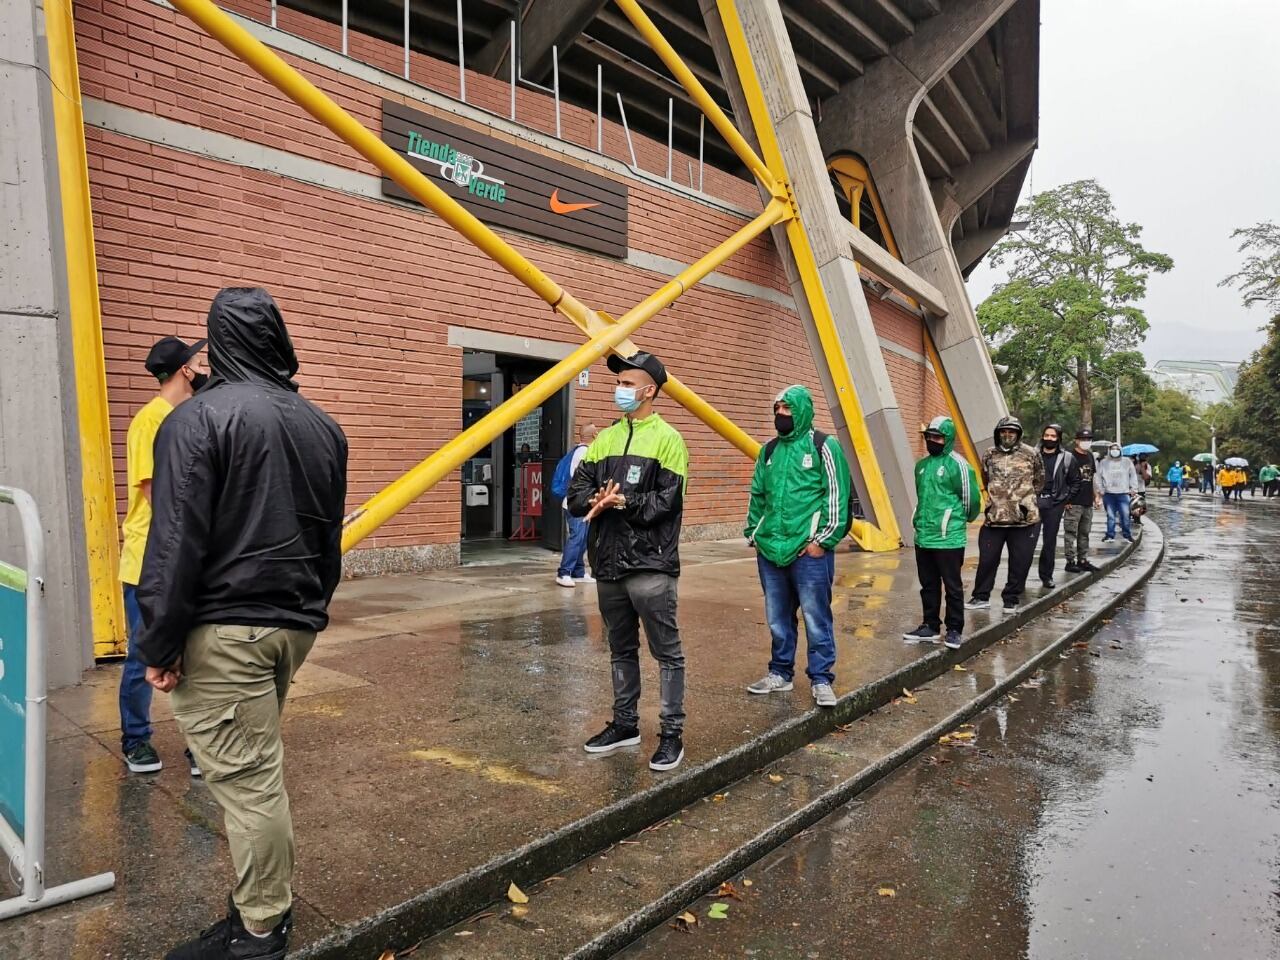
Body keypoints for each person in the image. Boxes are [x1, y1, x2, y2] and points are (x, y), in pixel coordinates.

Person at [138, 288, 348, 960]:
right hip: (291, 625)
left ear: (217, 344)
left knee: (251, 785)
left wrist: (159, 642)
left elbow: (174, 545)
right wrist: (311, 611)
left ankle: (261, 930)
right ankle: (255, 908)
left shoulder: (196, 421)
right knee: (254, 773)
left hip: (224, 630)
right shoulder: (322, 426)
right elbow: (327, 546)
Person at [568, 351, 689, 773]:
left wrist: (622, 500)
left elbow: (667, 503)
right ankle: (625, 725)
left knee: (666, 653)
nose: (619, 389)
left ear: (649, 389)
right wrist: (596, 499)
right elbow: (575, 494)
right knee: (620, 649)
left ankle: (671, 733)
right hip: (607, 565)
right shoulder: (603, 440)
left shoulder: (669, 440)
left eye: (626, 382)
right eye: (617, 382)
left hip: (650, 566)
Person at [118, 335, 208, 775]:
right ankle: (136, 740)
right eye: (196, 360)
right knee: (141, 656)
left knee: (192, 657)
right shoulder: (149, 422)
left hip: (185, 562)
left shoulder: (190, 416)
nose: (202, 365)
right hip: (146, 563)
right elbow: (158, 496)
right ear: (183, 370)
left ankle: (198, 746)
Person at [744, 385, 852, 705]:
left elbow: (836, 496)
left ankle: (821, 678)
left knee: (816, 616)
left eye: (787, 410)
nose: (781, 415)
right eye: (777, 409)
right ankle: (780, 673)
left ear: (802, 410)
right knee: (778, 617)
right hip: (771, 549)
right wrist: (755, 533)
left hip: (808, 551)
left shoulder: (824, 446)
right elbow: (757, 496)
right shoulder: (769, 451)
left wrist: (823, 541)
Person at [902, 415, 980, 650]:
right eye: (929, 437)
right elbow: (922, 497)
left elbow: (971, 502)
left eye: (937, 437)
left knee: (952, 585)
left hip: (949, 538)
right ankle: (930, 626)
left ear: (947, 439)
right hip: (924, 536)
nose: (932, 441)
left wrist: (954, 521)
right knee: (928, 584)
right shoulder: (921, 466)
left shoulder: (960, 465)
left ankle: (954, 629)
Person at [966, 416, 1045, 614]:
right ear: (998, 434)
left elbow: (1039, 480)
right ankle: (981, 596)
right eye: (1004, 431)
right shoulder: (989, 454)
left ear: (1018, 434)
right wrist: (997, 499)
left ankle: (1011, 598)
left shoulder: (1031, 453)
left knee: (1020, 561)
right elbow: (985, 478)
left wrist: (1023, 500)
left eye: (1012, 432)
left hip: (1023, 520)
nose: (1007, 435)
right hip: (995, 519)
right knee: (987, 559)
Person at [1034, 423, 1080, 589]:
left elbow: (1075, 481)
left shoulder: (1067, 458)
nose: (1049, 439)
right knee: (1027, 541)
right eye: (1047, 435)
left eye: (1053, 436)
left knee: (1049, 541)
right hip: (1033, 502)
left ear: (1059, 438)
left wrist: (1066, 498)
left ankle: (1046, 576)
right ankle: (1019, 578)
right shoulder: (1032, 455)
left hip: (1054, 504)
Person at [555, 423, 599, 588]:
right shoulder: (585, 453)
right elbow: (582, 480)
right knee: (577, 538)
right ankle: (564, 572)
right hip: (577, 504)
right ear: (594, 435)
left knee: (583, 538)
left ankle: (578, 572)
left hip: (580, 503)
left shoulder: (578, 452)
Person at [1063, 428, 1099, 574]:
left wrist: (1096, 495)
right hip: (1073, 502)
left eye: (1088, 439)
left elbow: (1092, 478)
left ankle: (1083, 560)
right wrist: (1066, 499)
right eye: (1083, 439)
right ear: (1076, 440)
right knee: (1071, 532)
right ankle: (1070, 561)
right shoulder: (1069, 456)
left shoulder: (1090, 456)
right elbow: (1063, 479)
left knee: (1084, 532)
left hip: (1087, 502)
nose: (1086, 442)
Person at [1095, 441, 1139, 542]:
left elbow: (1133, 475)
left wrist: (1134, 489)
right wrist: (1101, 490)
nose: (1115, 451)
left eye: (1117, 449)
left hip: (1123, 493)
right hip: (1109, 494)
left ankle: (1127, 535)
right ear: (1109, 451)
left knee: (1125, 515)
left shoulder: (1127, 462)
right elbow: (1098, 477)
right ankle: (1110, 535)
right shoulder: (1104, 462)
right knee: (1110, 516)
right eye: (1112, 449)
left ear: (1120, 450)